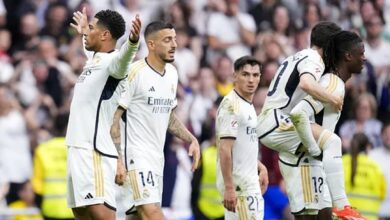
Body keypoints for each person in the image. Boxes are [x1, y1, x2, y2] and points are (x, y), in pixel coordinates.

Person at [256, 22, 362, 218]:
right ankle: (342, 205)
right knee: (331, 141)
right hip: (277, 122)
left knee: (308, 211)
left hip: (273, 123)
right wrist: (332, 98)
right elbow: (306, 83)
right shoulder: (314, 59)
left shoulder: (296, 56)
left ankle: (333, 203)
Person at [110, 21, 200, 220]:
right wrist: (117, 159)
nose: (174, 44)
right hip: (135, 157)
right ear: (151, 45)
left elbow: (167, 116)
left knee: (137, 216)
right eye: (167, 40)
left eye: (175, 39)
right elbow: (113, 118)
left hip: (156, 159)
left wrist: (190, 138)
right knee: (152, 213)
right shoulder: (134, 72)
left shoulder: (172, 74)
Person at [65, 7, 141, 220]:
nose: (87, 31)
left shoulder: (114, 64)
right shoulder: (96, 59)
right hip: (76, 148)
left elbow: (124, 59)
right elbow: (92, 51)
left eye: (91, 28)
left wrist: (132, 43)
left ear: (105, 35)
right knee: (81, 214)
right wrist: (84, 32)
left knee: (102, 215)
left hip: (94, 151)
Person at [283, 31, 367, 219]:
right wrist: (314, 149)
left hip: (313, 164)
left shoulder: (335, 82)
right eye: (361, 53)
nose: (364, 58)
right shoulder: (332, 83)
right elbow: (299, 113)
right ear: (348, 56)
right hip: (306, 163)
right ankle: (343, 206)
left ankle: (342, 207)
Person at [215, 56, 268, 219]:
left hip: (247, 184)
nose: (251, 80)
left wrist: (260, 167)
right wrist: (230, 188)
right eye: (245, 74)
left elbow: (240, 147)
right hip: (241, 187)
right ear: (234, 76)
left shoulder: (247, 105)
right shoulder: (232, 105)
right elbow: (225, 150)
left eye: (255, 75)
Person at [32, 113, 74, 220]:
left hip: (50, 209)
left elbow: (37, 186)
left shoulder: (42, 150)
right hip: (75, 210)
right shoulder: (76, 150)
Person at [342, 133, 386, 220]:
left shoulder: (342, 163)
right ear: (367, 146)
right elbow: (382, 194)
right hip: (370, 217)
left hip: (346, 217)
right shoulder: (374, 167)